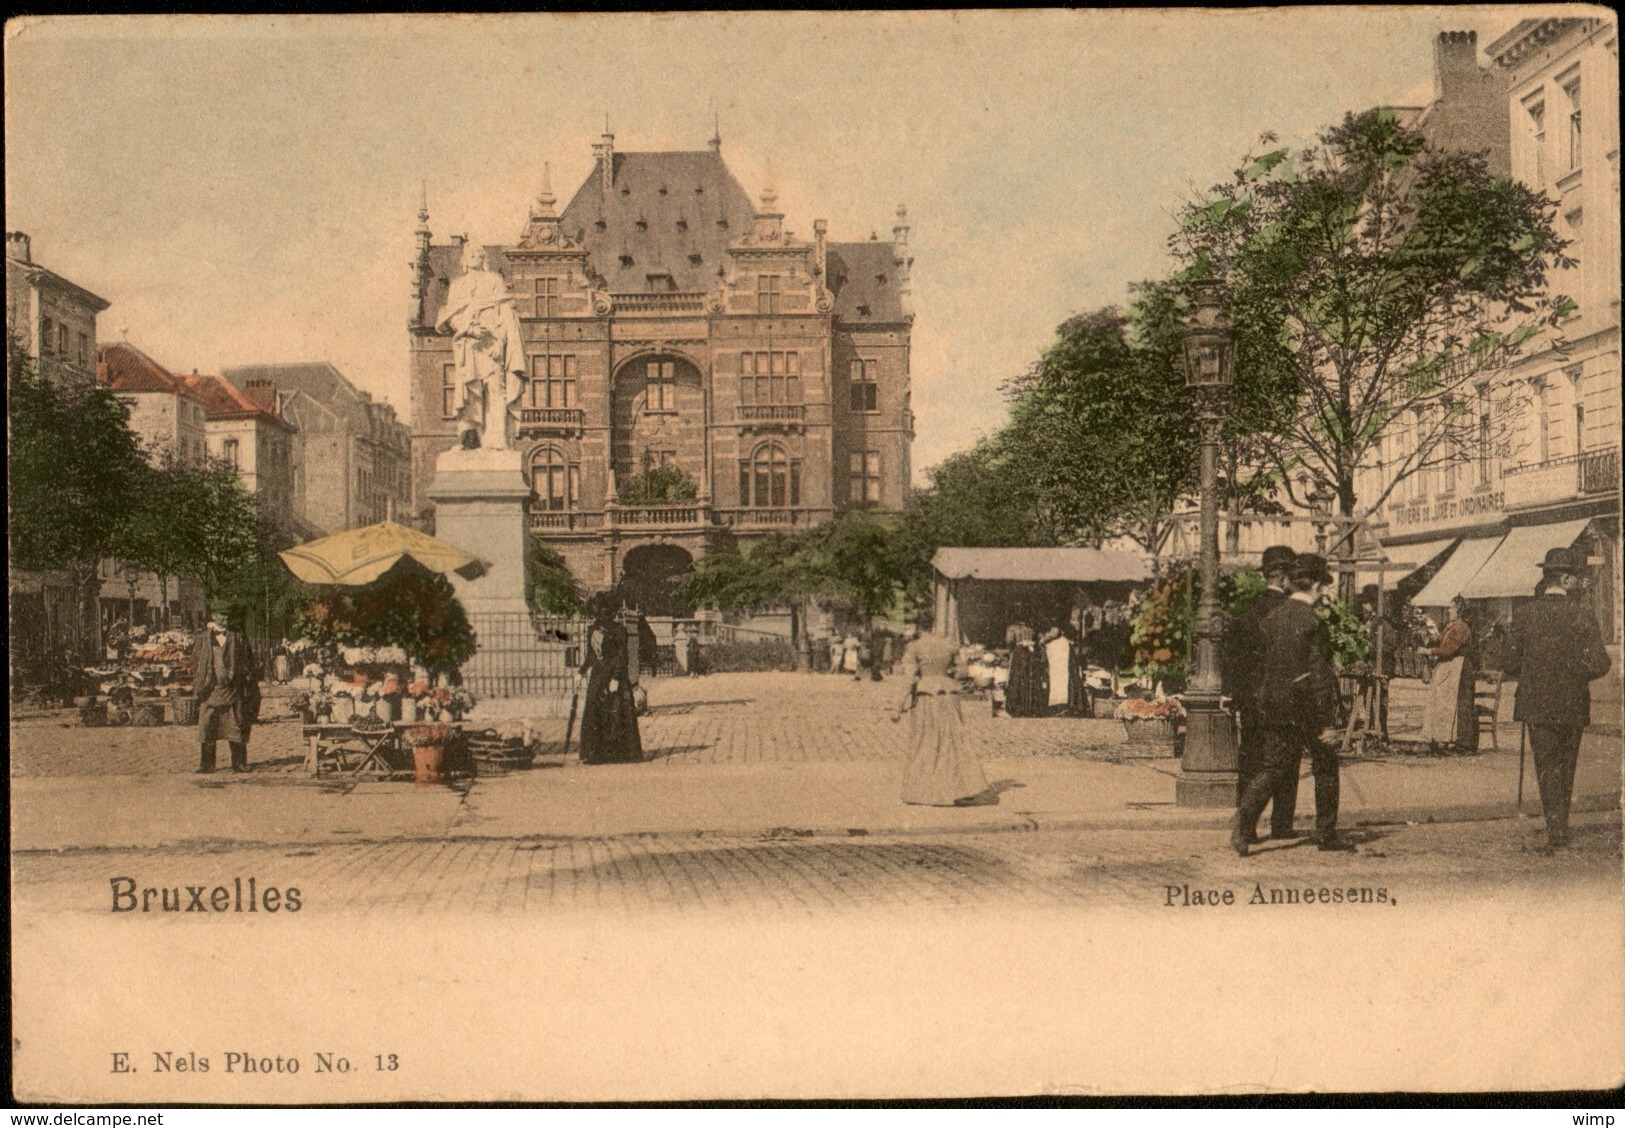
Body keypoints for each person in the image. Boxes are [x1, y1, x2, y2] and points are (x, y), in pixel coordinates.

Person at [1232, 553, 1351, 855]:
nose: (1324, 592)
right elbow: (1320, 676)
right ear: (1313, 586)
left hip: (1275, 706)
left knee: (1274, 769)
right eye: (1323, 586)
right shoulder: (1313, 623)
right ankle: (1326, 835)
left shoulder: (1273, 618)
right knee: (1325, 766)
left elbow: (1262, 666)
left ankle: (1243, 826)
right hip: (1307, 707)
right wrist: (1327, 722)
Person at [1502, 547, 1612, 850]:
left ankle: (1555, 828)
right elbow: (1602, 662)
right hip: (1572, 701)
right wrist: (1576, 673)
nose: (1579, 582)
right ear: (1564, 578)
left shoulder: (1525, 614)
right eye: (1576, 577)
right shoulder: (1582, 614)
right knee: (1567, 765)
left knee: (1546, 765)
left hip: (1536, 704)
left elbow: (1509, 663)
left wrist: (1532, 670)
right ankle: (1560, 824)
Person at [1221, 545, 1301, 843]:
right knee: (1285, 759)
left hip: (1250, 699)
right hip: (1281, 698)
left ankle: (1248, 826)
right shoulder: (1288, 611)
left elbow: (1233, 656)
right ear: (1283, 578)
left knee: (1251, 757)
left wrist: (1235, 693)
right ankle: (1281, 823)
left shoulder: (1246, 610)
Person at [436, 241, 528, 451]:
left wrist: (502, 342)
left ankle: (497, 440)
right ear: (464, 261)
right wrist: (469, 329)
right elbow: (452, 317)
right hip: (470, 344)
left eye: (479, 254)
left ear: (483, 259)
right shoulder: (458, 285)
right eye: (470, 254)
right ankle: (471, 440)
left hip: (493, 342)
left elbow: (507, 314)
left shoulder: (494, 280)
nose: (475, 256)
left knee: (496, 389)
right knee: (470, 392)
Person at [892, 627, 990, 806]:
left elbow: (909, 679)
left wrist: (897, 708)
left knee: (927, 740)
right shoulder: (950, 645)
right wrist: (946, 673)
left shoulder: (915, 647)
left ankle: (926, 791)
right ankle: (959, 788)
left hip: (926, 698)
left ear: (920, 629)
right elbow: (962, 672)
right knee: (953, 740)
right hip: (949, 696)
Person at [576, 598, 644, 764]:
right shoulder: (592, 629)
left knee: (615, 711)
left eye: (606, 611)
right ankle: (593, 754)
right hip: (598, 676)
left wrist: (615, 678)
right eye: (599, 611)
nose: (602, 614)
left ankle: (619, 753)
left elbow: (622, 656)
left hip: (614, 674)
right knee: (594, 710)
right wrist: (581, 671)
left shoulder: (619, 629)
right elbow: (591, 655)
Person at [193, 614, 262, 774]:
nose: (225, 619)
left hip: (232, 690)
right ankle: (207, 764)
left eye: (227, 615)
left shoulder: (237, 637)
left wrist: (245, 675)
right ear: (215, 616)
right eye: (222, 615)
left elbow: (248, 659)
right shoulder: (203, 638)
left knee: (236, 725)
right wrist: (202, 679)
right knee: (208, 727)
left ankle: (239, 763)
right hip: (210, 690)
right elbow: (195, 660)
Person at [1419, 595, 1479, 753]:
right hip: (1452, 666)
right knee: (1449, 703)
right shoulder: (1451, 625)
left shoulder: (1462, 627)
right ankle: (1444, 738)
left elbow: (1450, 649)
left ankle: (1466, 743)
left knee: (1463, 704)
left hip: (1461, 667)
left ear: (1459, 610)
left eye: (1451, 607)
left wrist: (1430, 651)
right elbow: (1442, 642)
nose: (1448, 610)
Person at [1004, 623, 1048, 717]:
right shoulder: (1032, 627)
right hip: (1031, 652)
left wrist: (1014, 648)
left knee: (1017, 678)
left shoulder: (1012, 627)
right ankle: (1030, 708)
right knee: (1031, 677)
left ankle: (1017, 708)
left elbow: (1009, 641)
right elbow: (1041, 639)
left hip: (1019, 653)